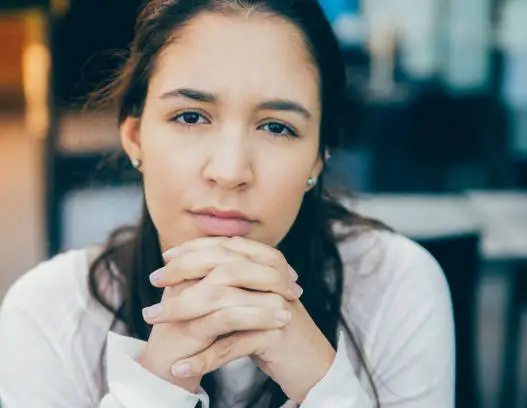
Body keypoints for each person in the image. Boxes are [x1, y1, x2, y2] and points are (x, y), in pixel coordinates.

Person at [0, 1, 455, 407]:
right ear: (135, 137)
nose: (231, 170)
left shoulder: (394, 285)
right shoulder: (50, 314)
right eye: (191, 116)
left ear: (318, 157)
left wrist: (321, 382)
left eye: (277, 127)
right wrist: (157, 385)